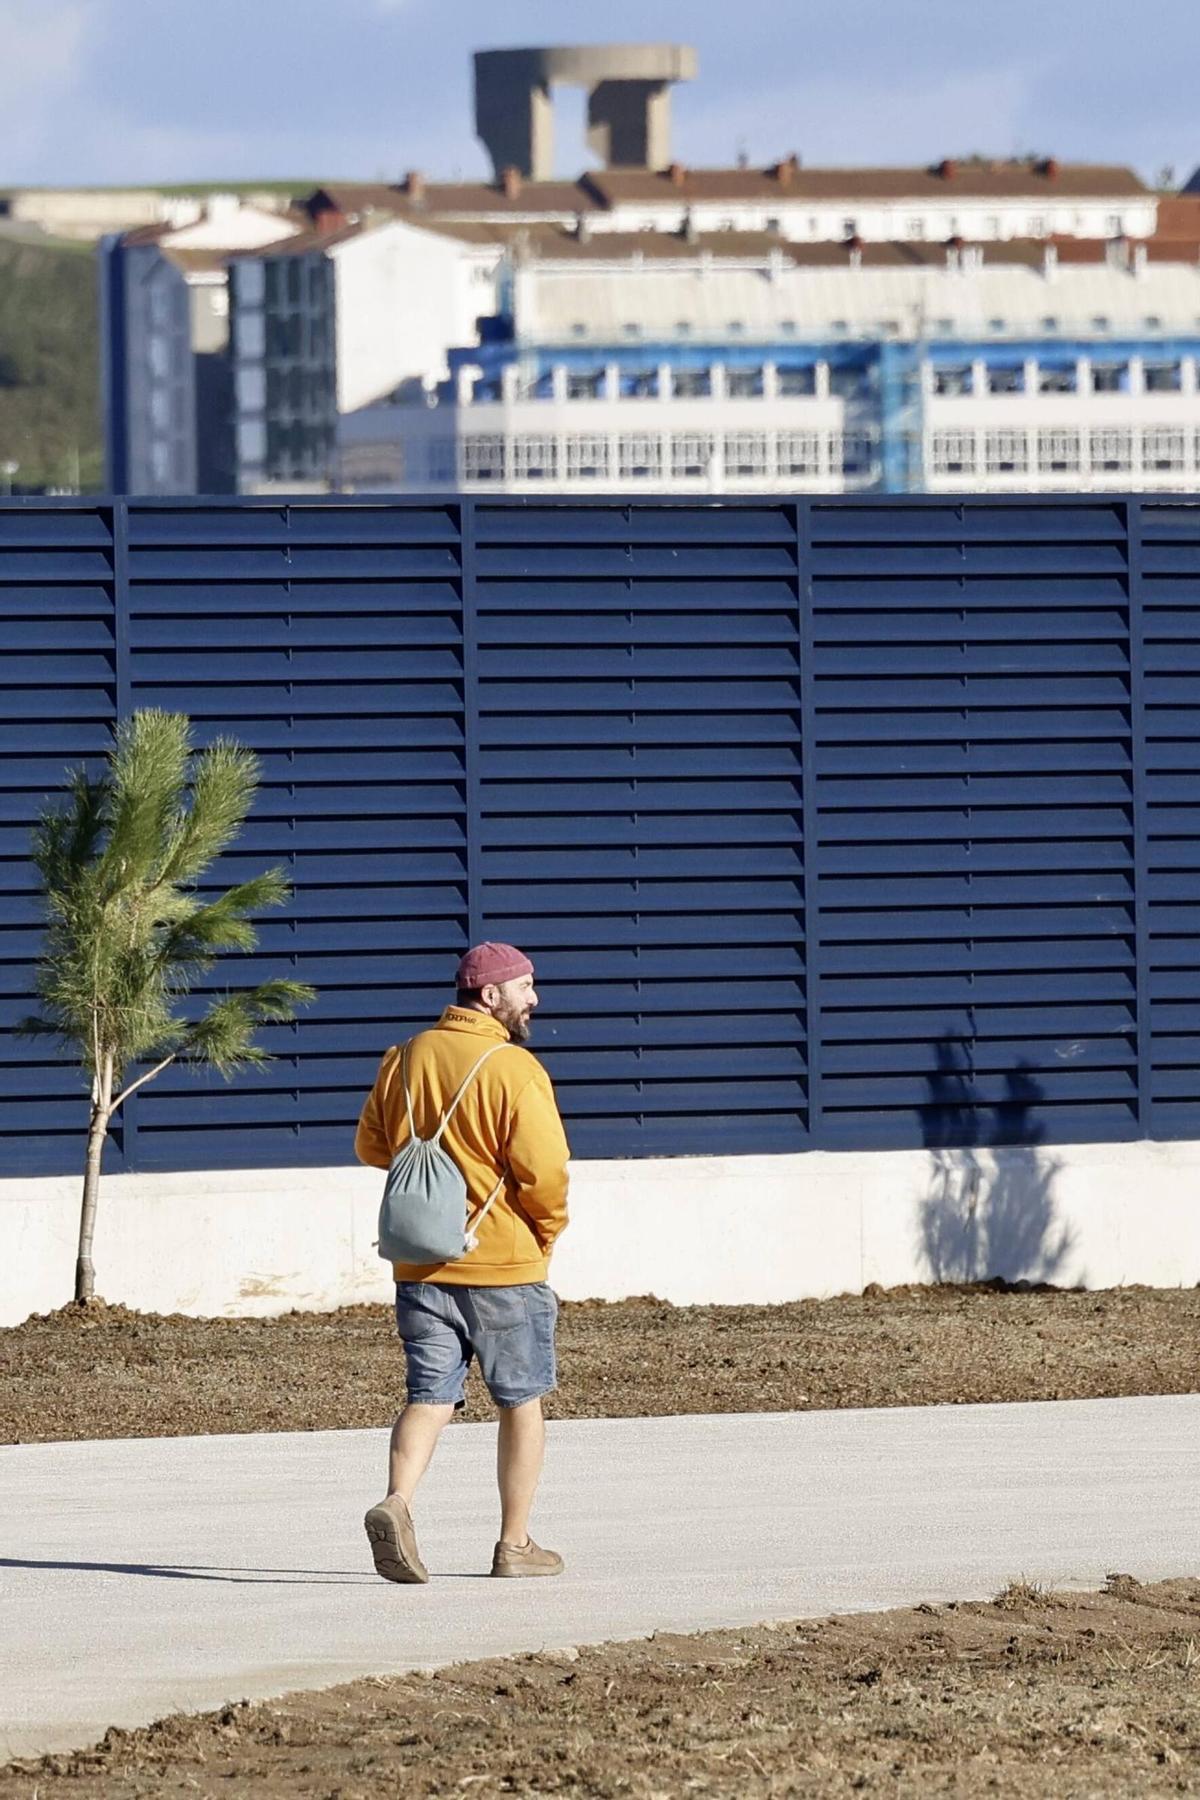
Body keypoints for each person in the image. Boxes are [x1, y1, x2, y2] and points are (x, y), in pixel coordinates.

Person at [355, 942, 571, 1583]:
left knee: (429, 1393)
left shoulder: (404, 1058)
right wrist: (546, 1235)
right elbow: (545, 1174)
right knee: (522, 1400)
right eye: (525, 986)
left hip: (420, 1266)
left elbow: (372, 1146)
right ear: (490, 994)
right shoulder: (514, 1069)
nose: (534, 998)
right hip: (503, 1264)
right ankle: (515, 1545)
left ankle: (397, 1502)